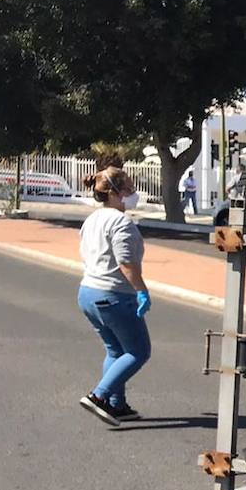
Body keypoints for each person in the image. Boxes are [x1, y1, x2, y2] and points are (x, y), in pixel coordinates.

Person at [77, 167, 151, 426]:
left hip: (88, 291)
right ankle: (99, 396)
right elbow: (127, 264)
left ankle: (116, 405)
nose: (133, 194)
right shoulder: (121, 222)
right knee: (139, 351)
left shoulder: (92, 220)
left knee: (115, 349)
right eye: (130, 189)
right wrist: (142, 291)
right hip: (114, 295)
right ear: (116, 193)